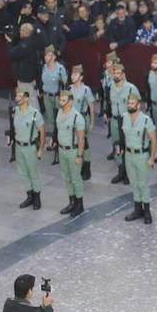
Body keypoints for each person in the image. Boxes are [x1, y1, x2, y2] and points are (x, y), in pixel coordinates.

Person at [120, 92, 157, 224]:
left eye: (132, 103)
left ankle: (147, 211)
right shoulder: (124, 117)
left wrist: (152, 158)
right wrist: (121, 147)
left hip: (142, 156)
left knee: (143, 184)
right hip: (129, 155)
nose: (130, 105)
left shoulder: (146, 120)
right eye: (128, 103)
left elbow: (154, 140)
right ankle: (137, 209)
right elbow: (123, 135)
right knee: (134, 183)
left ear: (138, 105)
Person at [10, 87, 45, 210]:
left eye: (20, 96)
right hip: (19, 146)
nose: (17, 98)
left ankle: (37, 198)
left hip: (30, 147)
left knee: (33, 174)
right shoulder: (14, 111)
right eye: (16, 95)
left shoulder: (35, 114)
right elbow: (13, 128)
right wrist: (11, 139)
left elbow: (42, 132)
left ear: (26, 98)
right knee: (23, 173)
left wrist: (41, 149)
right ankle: (29, 196)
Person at [53, 90, 86, 218]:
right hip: (62, 150)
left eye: (64, 100)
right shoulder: (59, 113)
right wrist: (54, 140)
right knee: (66, 177)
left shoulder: (78, 117)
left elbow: (81, 139)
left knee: (76, 179)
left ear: (71, 102)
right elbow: (58, 129)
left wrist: (79, 155)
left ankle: (79, 204)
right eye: (60, 100)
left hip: (73, 151)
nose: (61, 103)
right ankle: (72, 202)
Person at [108, 64, 139, 185]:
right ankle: (121, 170)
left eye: (118, 73)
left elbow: (137, 106)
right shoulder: (111, 86)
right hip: (114, 120)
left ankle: (129, 173)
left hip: (127, 121)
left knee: (127, 146)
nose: (116, 75)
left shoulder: (131, 88)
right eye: (114, 73)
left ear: (123, 75)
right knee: (117, 144)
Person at [68, 65, 95, 181]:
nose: (72, 76)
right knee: (75, 142)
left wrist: (92, 122)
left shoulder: (86, 90)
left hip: (83, 119)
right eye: (72, 74)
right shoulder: (69, 89)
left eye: (75, 74)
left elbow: (91, 107)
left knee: (85, 143)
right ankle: (79, 165)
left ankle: (87, 168)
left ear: (81, 77)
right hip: (72, 119)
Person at [7, 23, 41, 111]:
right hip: (30, 75)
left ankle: (35, 116)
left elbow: (12, 54)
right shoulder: (32, 41)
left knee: (30, 98)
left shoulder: (25, 45)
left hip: (25, 77)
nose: (19, 32)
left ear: (26, 32)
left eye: (21, 30)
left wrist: (9, 43)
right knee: (29, 97)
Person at [40, 45, 67, 145]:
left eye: (48, 55)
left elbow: (65, 84)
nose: (46, 57)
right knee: (51, 119)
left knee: (59, 119)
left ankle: (59, 138)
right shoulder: (44, 67)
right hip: (47, 96)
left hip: (57, 97)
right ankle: (55, 137)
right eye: (45, 55)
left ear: (54, 57)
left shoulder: (60, 69)